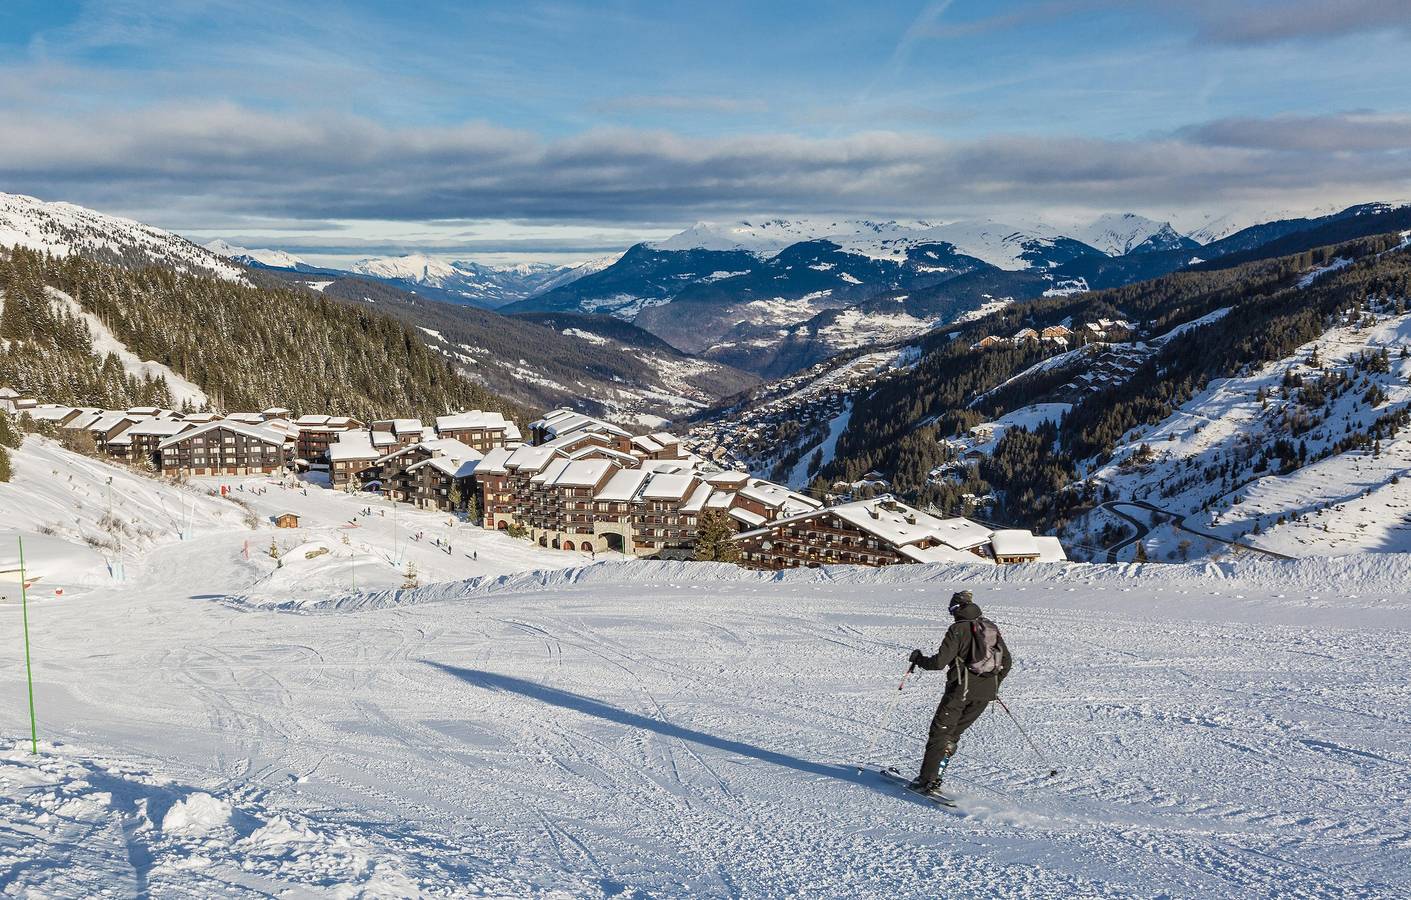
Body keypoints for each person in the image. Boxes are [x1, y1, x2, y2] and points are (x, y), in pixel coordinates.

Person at [906, 590, 1011, 796]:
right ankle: (935, 777)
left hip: (960, 692)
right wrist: (993, 685)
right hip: (985, 695)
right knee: (952, 735)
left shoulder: (957, 629)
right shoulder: (990, 627)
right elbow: (1006, 663)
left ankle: (926, 781)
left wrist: (918, 659)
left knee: (940, 734)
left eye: (951, 610)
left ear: (956, 609)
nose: (951, 614)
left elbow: (938, 663)